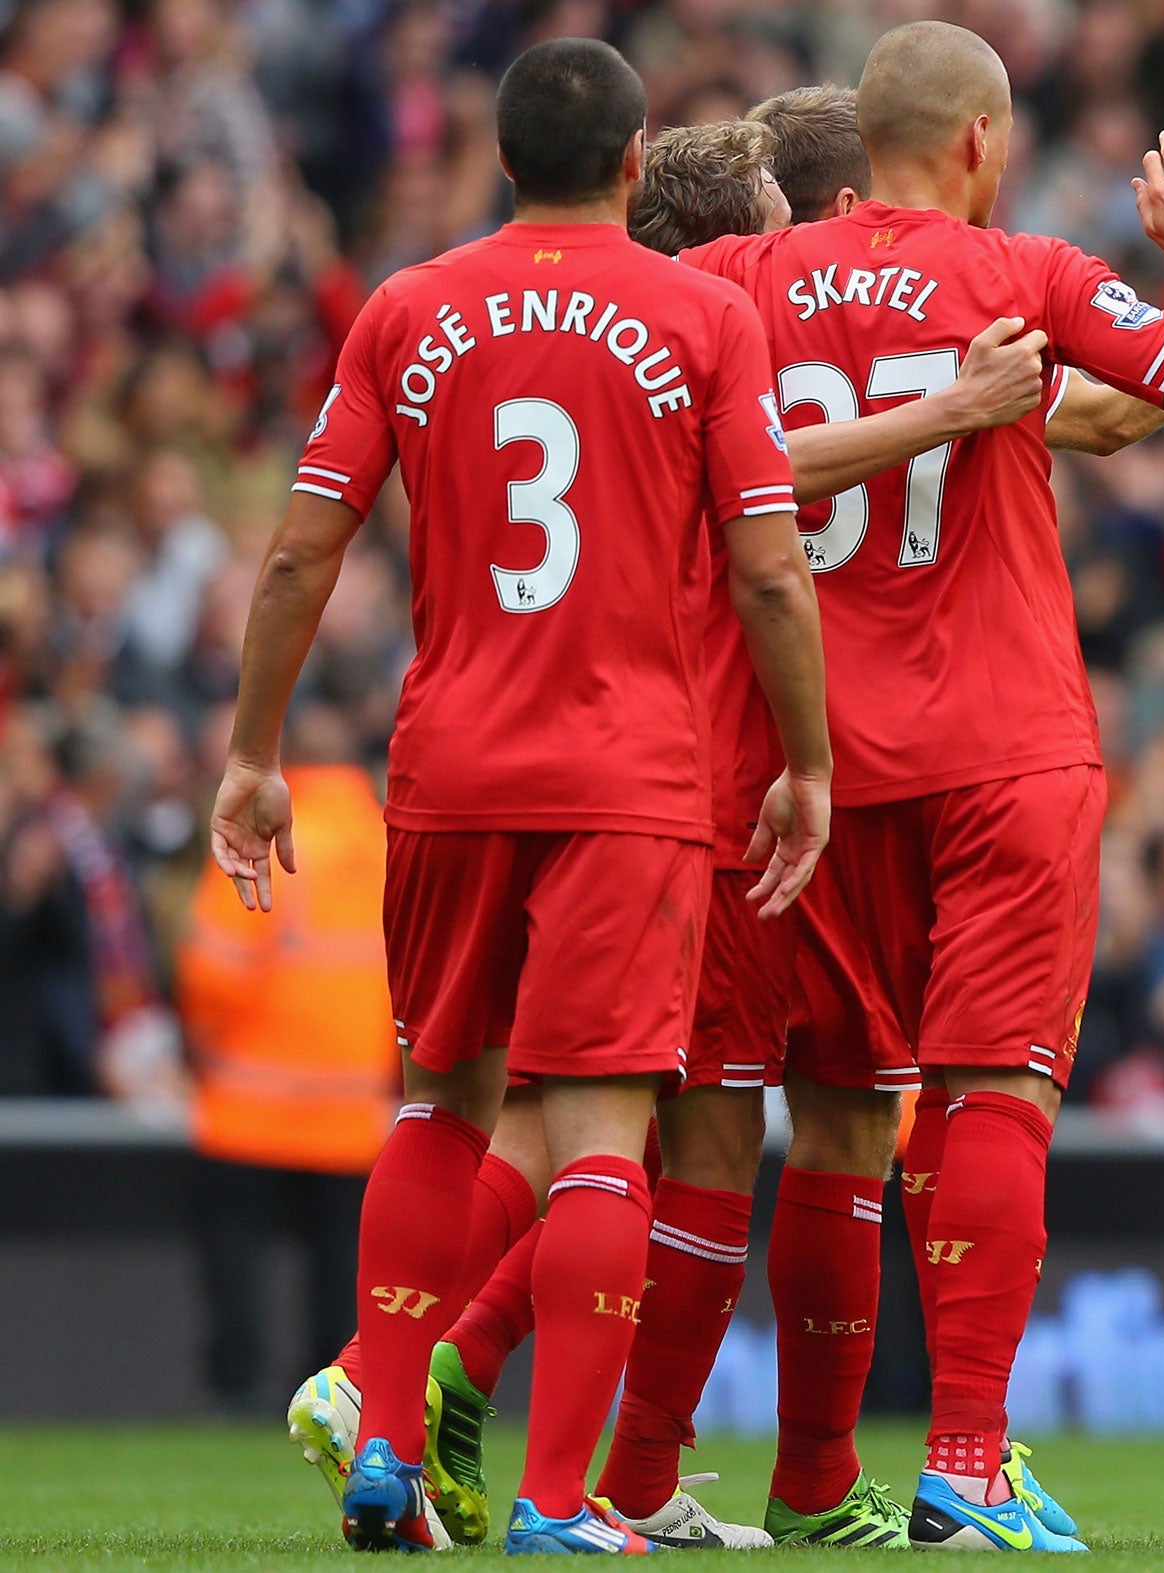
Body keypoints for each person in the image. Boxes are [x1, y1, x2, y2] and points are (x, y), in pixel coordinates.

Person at [280, 112, 1056, 1551]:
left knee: (501, 1109)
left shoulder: (461, 320)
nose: (797, 268)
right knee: (638, 1131)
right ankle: (559, 1465)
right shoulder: (696, 343)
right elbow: (776, 527)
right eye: (774, 235)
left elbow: (306, 536)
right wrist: (960, 409)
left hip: (487, 759)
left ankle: (431, 1396)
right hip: (687, 778)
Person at [667, 20, 1164, 1552]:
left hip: (804, 767)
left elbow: (705, 452)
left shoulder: (732, 285)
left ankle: (743, 1479)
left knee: (823, 1112)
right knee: (992, 1089)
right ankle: (964, 1457)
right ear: (978, 139)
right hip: (1000, 748)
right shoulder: (1022, 272)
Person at [210, 36, 831, 1556]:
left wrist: (252, 752)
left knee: (440, 1103)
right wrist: (808, 762)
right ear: (635, 163)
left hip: (451, 764)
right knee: (610, 1131)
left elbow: (301, 550)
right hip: (628, 777)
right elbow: (764, 565)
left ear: (502, 162)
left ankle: (387, 1446)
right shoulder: (702, 313)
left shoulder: (406, 309)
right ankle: (561, 1504)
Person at [178, 706, 393, 1414]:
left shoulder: (261, 828)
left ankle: (238, 1385)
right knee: (340, 1267)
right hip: (352, 1109)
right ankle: (328, 1396)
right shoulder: (385, 838)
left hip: (247, 1101)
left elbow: (213, 969)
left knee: (236, 1255)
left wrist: (204, 1049)